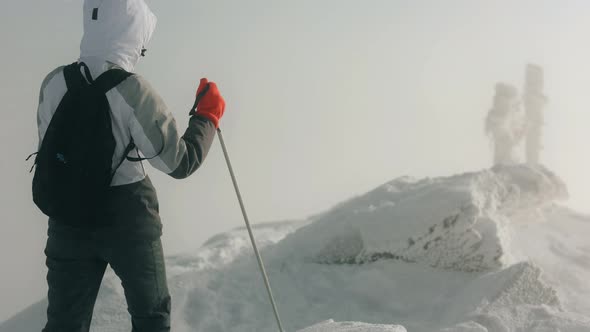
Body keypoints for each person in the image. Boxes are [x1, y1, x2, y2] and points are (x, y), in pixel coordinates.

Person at [36, 0, 225, 331]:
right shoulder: (131, 89)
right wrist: (207, 116)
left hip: (67, 218)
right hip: (129, 219)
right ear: (131, 34)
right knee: (151, 318)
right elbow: (179, 162)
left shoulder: (53, 83)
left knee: (64, 324)